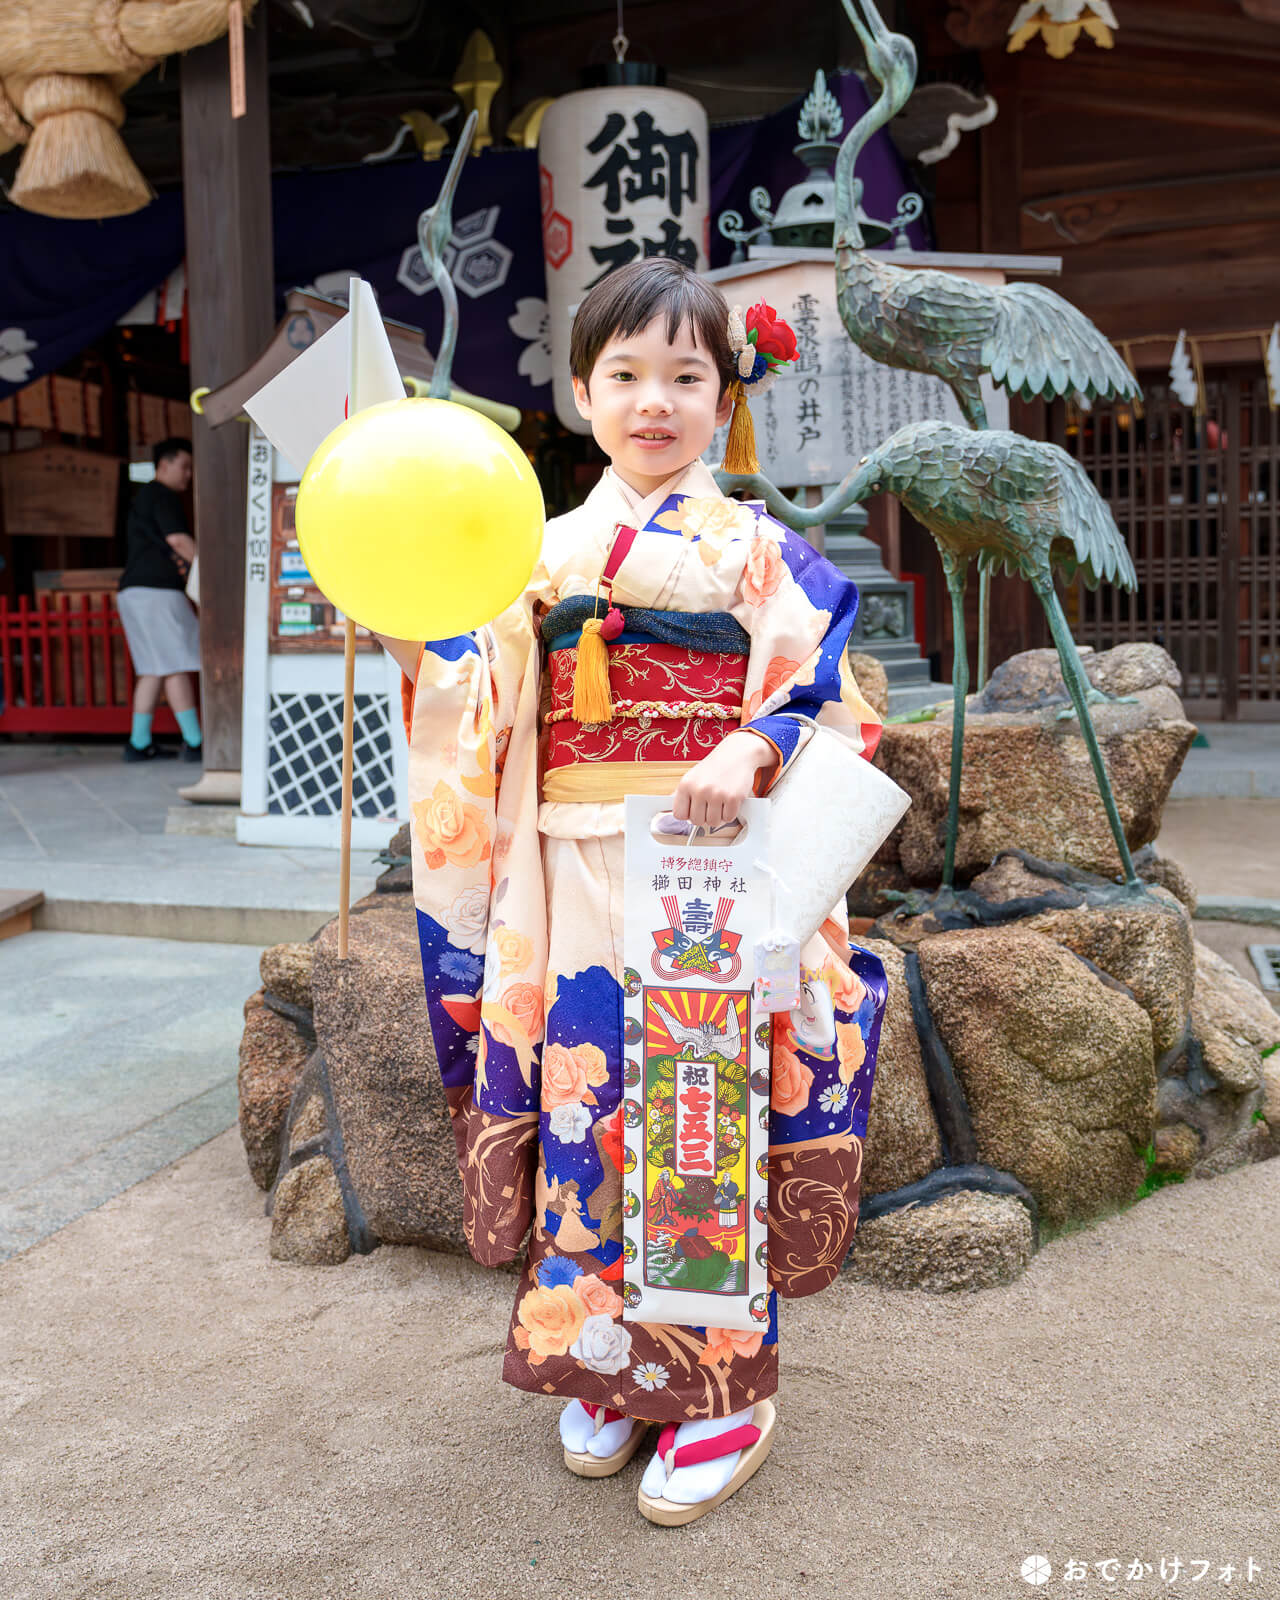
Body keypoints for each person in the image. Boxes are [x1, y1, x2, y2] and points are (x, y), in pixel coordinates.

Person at [380, 258, 887, 1523]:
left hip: (710, 867)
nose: (652, 401)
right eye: (624, 375)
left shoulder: (765, 555)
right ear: (578, 391)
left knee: (694, 1103)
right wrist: (416, 637)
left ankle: (721, 1386)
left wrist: (751, 741)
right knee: (584, 1097)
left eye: (684, 376)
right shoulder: (540, 556)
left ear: (724, 398)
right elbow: (476, 694)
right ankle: (604, 1356)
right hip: (566, 873)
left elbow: (831, 694)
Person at [116, 437, 203, 763]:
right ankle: (195, 741)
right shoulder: (162, 495)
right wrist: (209, 574)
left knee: (153, 668)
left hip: (132, 593)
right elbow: (178, 540)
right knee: (175, 665)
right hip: (156, 592)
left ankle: (138, 743)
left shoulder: (144, 497)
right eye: (184, 466)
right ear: (163, 465)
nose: (188, 474)